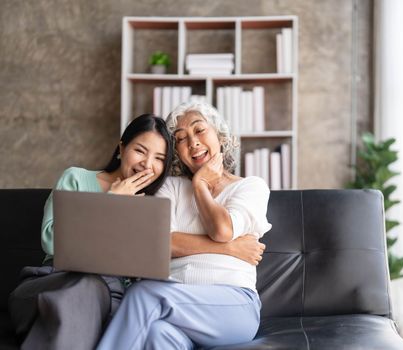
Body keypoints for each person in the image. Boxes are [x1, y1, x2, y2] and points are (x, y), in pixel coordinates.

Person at [8, 113, 264, 350]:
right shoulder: (77, 178)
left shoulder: (152, 201)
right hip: (57, 279)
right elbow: (51, 241)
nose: (147, 164)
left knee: (150, 328)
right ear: (121, 148)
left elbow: (149, 261)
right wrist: (110, 203)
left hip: (113, 296)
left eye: (160, 159)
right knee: (84, 293)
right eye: (140, 151)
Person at [96, 102, 272, 350]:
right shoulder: (171, 187)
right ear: (177, 152)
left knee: (144, 294)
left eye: (200, 130)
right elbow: (162, 242)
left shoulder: (250, 187)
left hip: (233, 306)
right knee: (157, 335)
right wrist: (229, 249)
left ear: (220, 136)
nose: (193, 142)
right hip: (175, 306)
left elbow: (222, 230)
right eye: (181, 138)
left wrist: (201, 186)